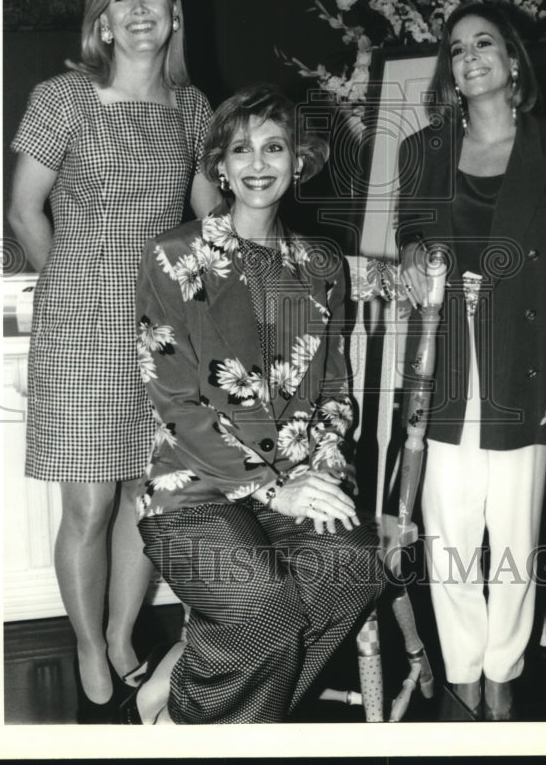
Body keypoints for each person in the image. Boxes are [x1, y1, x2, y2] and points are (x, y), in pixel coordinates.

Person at [8, 0, 220, 722]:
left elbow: (209, 223)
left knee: (146, 500)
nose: (138, 13)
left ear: (172, 15)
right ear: (102, 18)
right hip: (80, 326)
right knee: (89, 506)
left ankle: (126, 635)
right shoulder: (61, 98)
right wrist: (71, 287)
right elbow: (23, 208)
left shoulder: (194, 109)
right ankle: (89, 647)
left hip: (162, 331)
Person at [127, 84, 383, 724]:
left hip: (299, 480)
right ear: (220, 164)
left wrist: (321, 469)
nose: (258, 163)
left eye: (275, 147)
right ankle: (203, 718)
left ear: (299, 161)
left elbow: (333, 387)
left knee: (355, 565)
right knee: (265, 609)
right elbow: (175, 401)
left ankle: (188, 697)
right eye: (241, 149)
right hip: (193, 491)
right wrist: (275, 492)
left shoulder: (322, 264)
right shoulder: (174, 256)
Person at [397, 1, 546, 721]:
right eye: (455, 48)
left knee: (513, 528)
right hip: (444, 360)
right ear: (448, 71)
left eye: (484, 43)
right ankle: (462, 663)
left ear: (514, 60)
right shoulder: (420, 150)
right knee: (446, 525)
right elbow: (410, 241)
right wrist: (417, 260)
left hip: (527, 363)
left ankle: (504, 662)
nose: (469, 56)